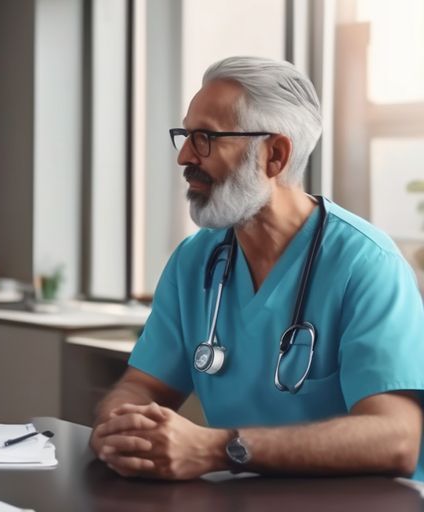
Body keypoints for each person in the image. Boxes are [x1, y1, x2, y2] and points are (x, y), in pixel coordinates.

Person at [90, 56, 424, 480]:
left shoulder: (366, 264)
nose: (185, 157)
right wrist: (119, 425)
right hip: (240, 498)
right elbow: (144, 385)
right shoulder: (194, 262)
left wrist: (218, 448)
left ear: (275, 155)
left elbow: (396, 437)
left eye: (206, 137)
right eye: (186, 135)